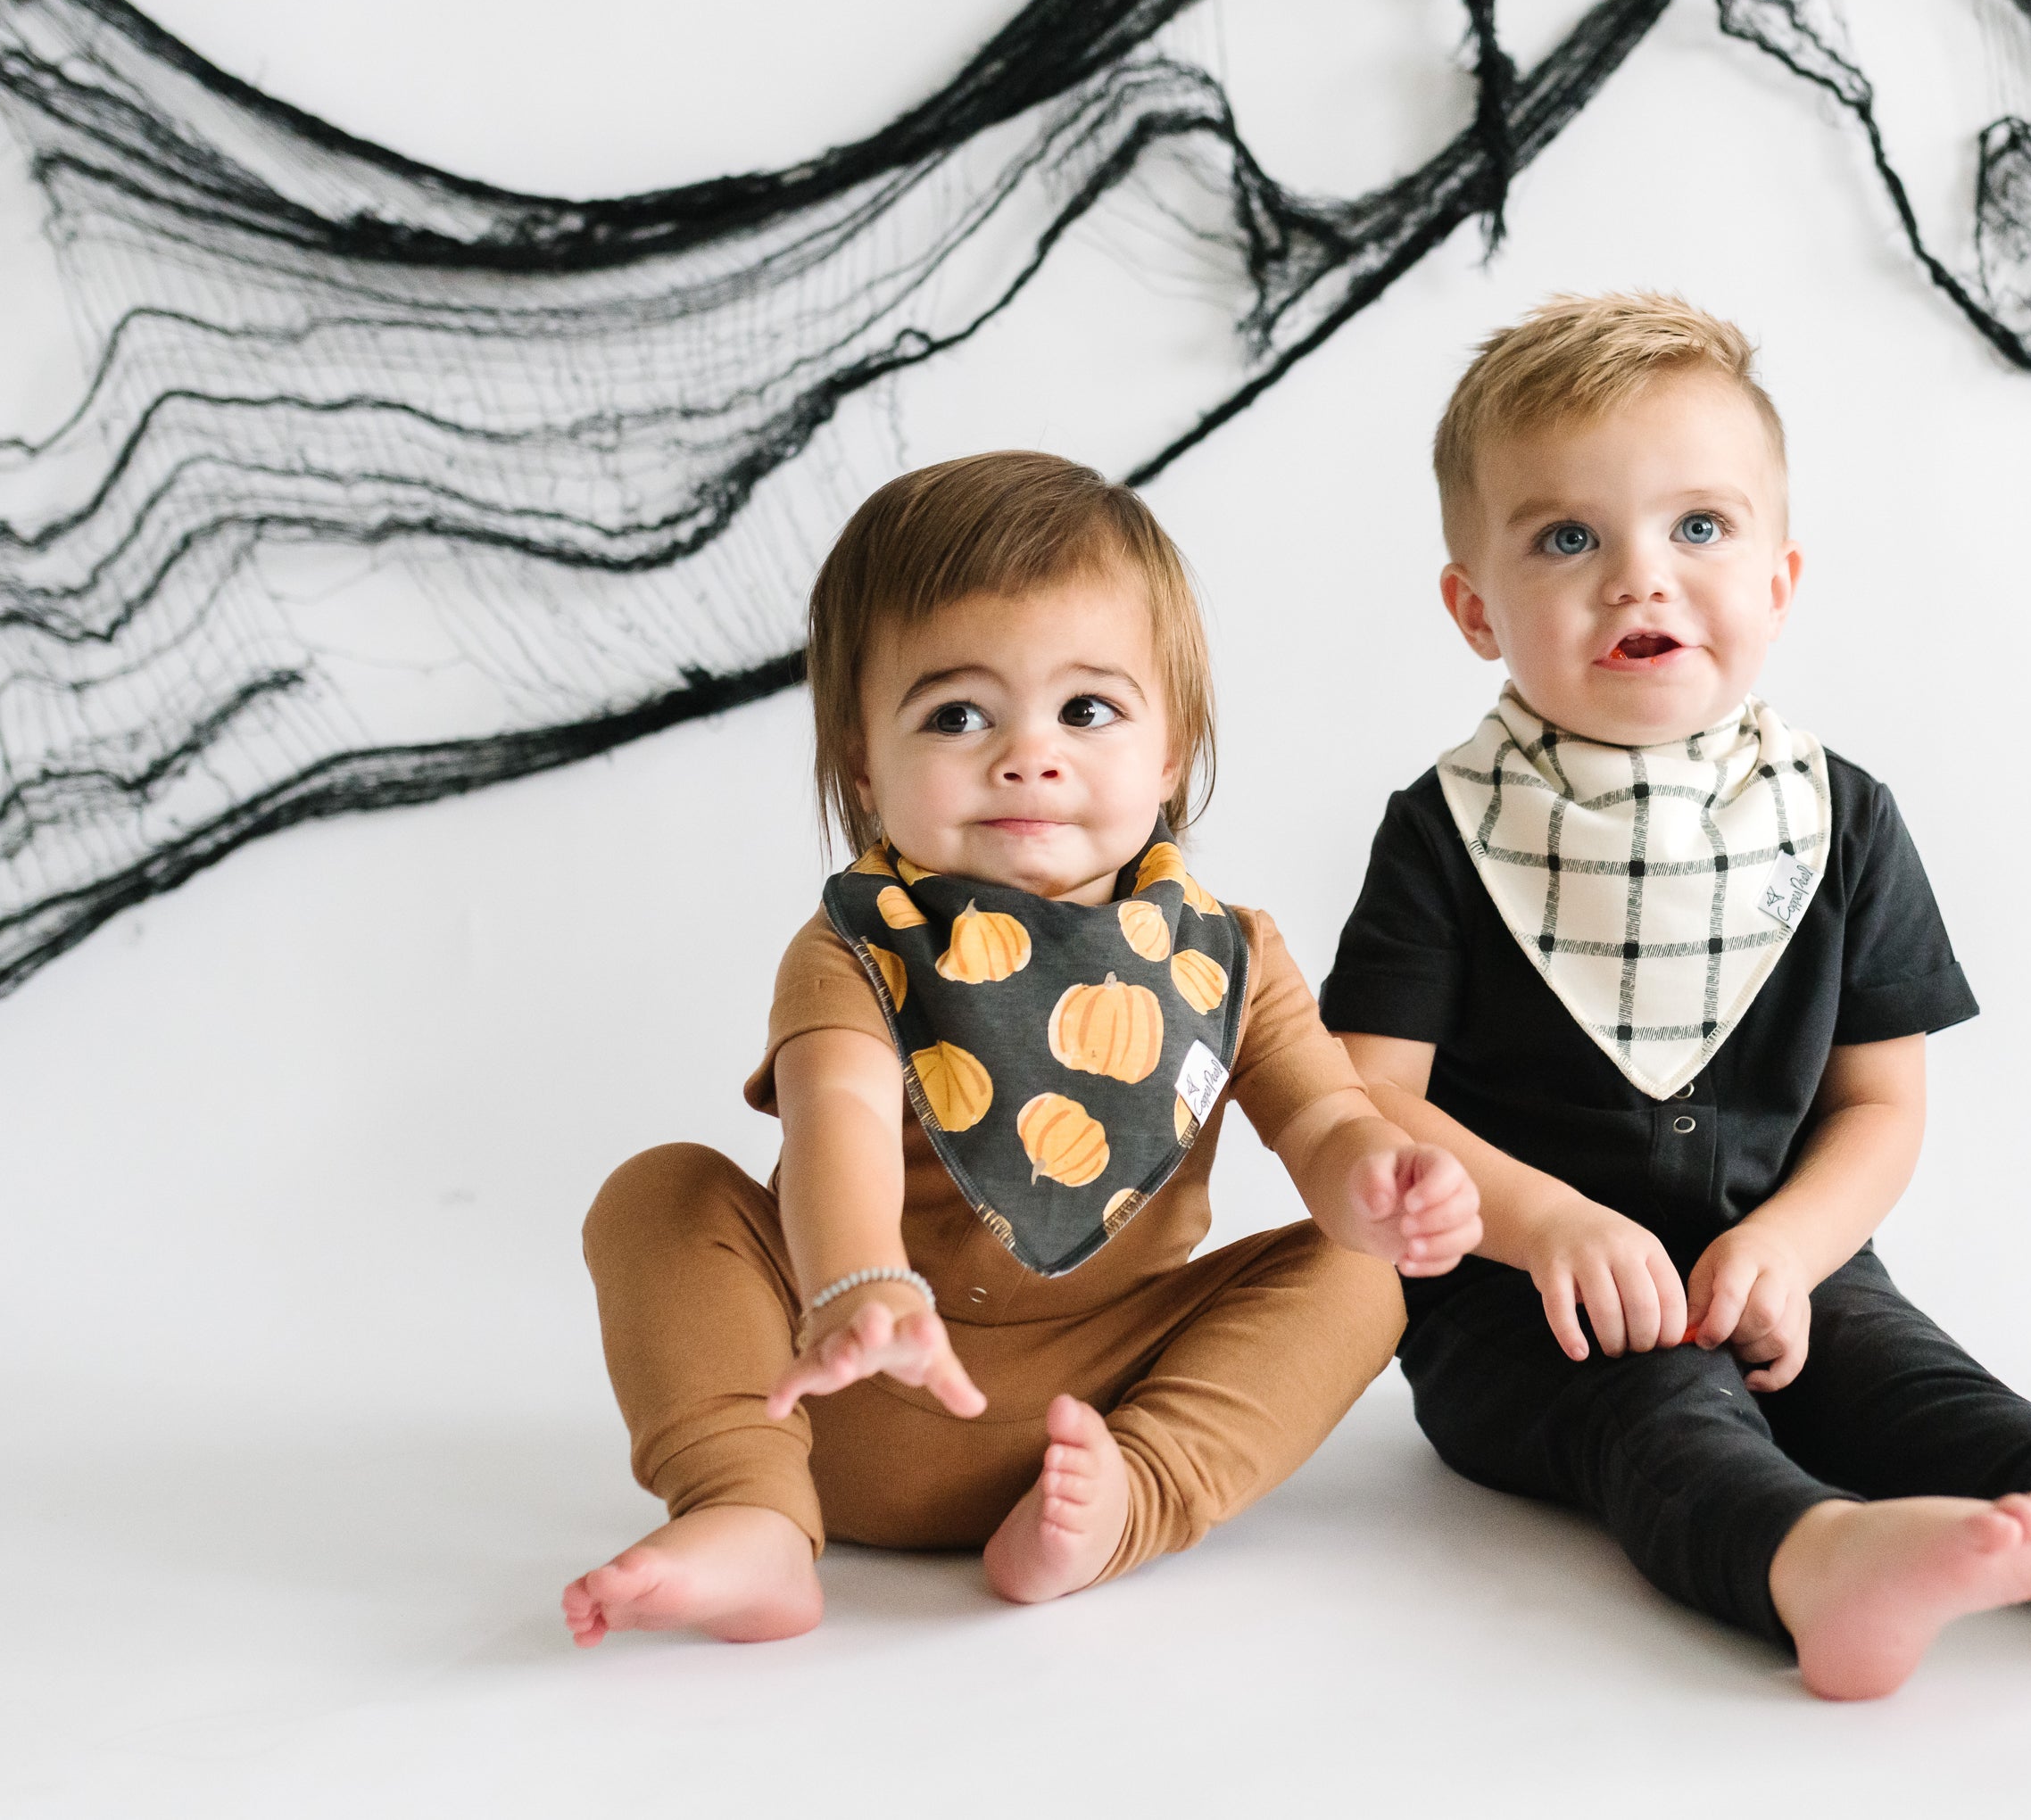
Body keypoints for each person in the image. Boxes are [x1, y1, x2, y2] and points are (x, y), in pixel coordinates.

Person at [1323, 294, 2031, 1700]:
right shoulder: (1444, 829)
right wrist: (1544, 1225)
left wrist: (1790, 1246)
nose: (1642, 580)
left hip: (1794, 1260)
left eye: (1698, 528)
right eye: (1568, 538)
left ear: (1779, 583)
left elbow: (1880, 1106)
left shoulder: (1838, 818)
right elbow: (1368, 1099)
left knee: (1914, 1389)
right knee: (1662, 1416)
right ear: (1475, 607)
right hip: (1524, 1310)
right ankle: (1816, 1564)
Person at [564, 451, 1479, 1644]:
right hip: (833, 1382)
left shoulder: (1230, 956)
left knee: (1361, 1276)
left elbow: (1324, 1118)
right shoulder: (859, 949)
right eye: (957, 715)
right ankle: (749, 1511)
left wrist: (1377, 1179)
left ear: (1169, 751)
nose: (1026, 755)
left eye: (1086, 710)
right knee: (661, 1191)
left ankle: (1132, 1501)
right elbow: (840, 1112)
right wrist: (858, 1284)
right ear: (863, 764)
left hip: (1092, 1409)